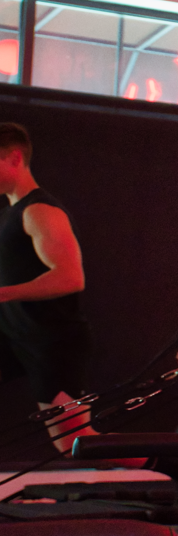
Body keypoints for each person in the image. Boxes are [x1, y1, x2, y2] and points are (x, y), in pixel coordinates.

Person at [0, 123, 94, 456]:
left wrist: (3, 293)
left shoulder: (40, 211)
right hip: (13, 336)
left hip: (51, 342)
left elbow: (70, 278)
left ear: (14, 158)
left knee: (75, 444)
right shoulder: (9, 213)